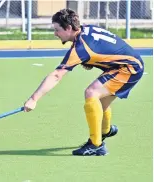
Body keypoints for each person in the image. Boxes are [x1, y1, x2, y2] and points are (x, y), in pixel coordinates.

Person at [23, 9, 144, 156]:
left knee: (91, 92)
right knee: (101, 102)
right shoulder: (86, 28)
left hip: (128, 68)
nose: (55, 33)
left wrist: (33, 99)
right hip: (127, 64)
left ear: (68, 28)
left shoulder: (80, 48)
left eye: (57, 30)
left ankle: (96, 145)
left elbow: (56, 75)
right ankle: (105, 131)